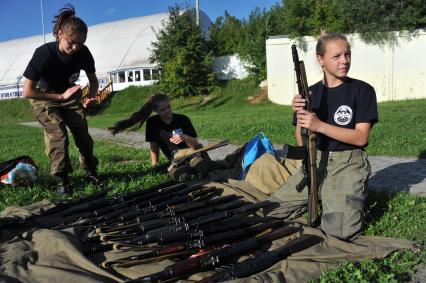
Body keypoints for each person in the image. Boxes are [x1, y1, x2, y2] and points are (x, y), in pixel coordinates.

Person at [267, 32, 378, 240]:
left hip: (347, 163)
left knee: (337, 234)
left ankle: (329, 200)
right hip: (315, 160)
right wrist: (302, 119)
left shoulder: (362, 90)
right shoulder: (309, 93)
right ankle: (318, 198)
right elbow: (300, 140)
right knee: (270, 213)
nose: (344, 61)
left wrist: (319, 125)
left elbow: (361, 138)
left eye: (347, 55)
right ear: (321, 60)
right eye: (336, 56)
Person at [23, 5, 99, 195]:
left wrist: (91, 96)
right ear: (59, 34)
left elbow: (93, 80)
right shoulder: (44, 54)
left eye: (80, 44)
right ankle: (61, 179)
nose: (75, 48)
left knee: (82, 133)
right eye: (71, 42)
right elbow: (28, 91)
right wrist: (59, 97)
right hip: (44, 96)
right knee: (58, 134)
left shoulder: (83, 53)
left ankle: (91, 171)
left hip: (69, 95)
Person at [109, 92, 221, 180]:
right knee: (178, 174)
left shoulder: (183, 119)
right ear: (156, 111)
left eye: (168, 107)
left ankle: (206, 168)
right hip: (177, 159)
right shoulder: (153, 123)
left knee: (200, 164)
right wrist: (154, 165)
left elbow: (196, 144)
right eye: (162, 109)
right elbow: (154, 146)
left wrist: (184, 137)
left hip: (194, 153)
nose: (167, 111)